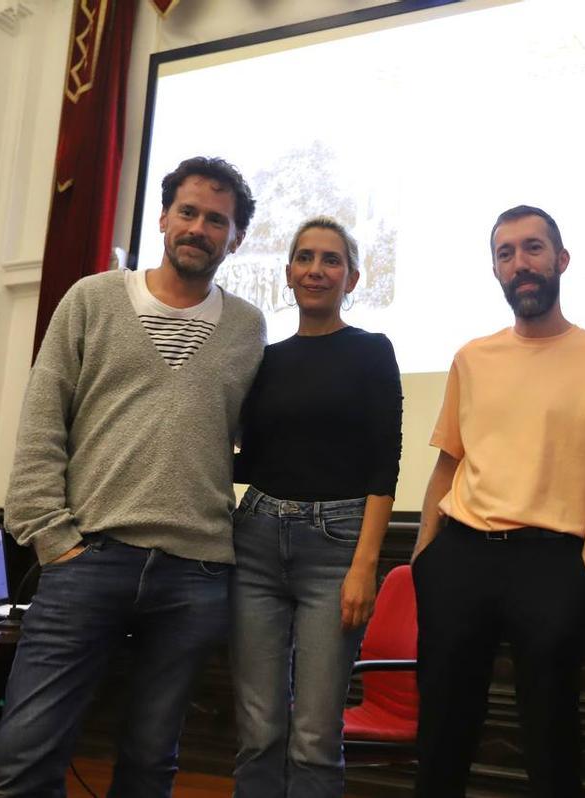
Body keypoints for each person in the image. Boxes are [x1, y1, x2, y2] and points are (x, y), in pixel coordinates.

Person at [0, 156, 266, 797]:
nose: (199, 227)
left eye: (217, 219)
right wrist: (53, 539)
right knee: (25, 758)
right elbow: (41, 423)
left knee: (149, 764)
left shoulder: (250, 327)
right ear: (165, 218)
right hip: (86, 558)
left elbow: (257, 440)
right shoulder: (91, 298)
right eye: (189, 212)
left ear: (236, 238)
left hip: (195, 574)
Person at [409, 205, 585, 797]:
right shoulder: (472, 358)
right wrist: (425, 558)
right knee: (443, 731)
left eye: (533, 248)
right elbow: (447, 464)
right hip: (459, 556)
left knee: (551, 732)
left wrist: (584, 575)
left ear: (561, 260)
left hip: (551, 562)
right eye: (505, 254)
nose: (520, 264)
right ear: (496, 271)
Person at [230, 216, 403, 797]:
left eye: (331, 260)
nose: (316, 270)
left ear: (352, 277)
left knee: (314, 736)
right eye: (305, 258)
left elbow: (385, 467)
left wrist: (364, 565)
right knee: (258, 731)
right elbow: (247, 460)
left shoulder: (372, 352)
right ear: (288, 274)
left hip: (337, 551)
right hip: (254, 541)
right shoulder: (265, 359)